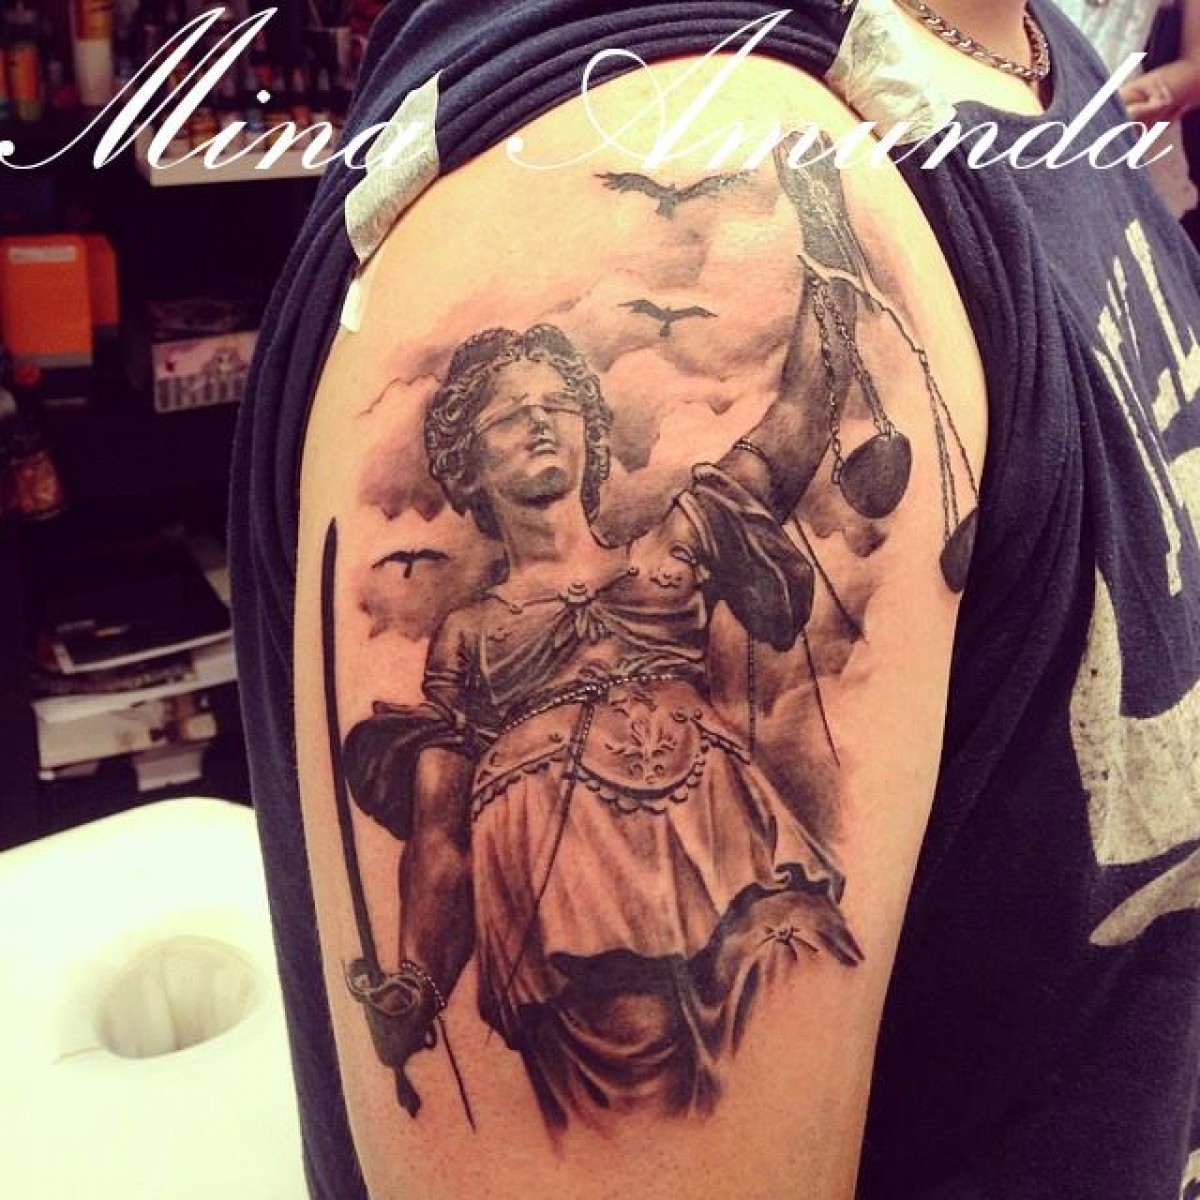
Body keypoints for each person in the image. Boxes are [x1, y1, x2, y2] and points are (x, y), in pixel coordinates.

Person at [230, 2, 1199, 1198]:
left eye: (552, 405)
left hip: (729, 849)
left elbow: (793, 433)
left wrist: (830, 278)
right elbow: (436, 829)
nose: (536, 426)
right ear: (465, 465)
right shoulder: (619, 142)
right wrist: (419, 985)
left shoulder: (1047, 54)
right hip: (563, 904)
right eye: (504, 418)